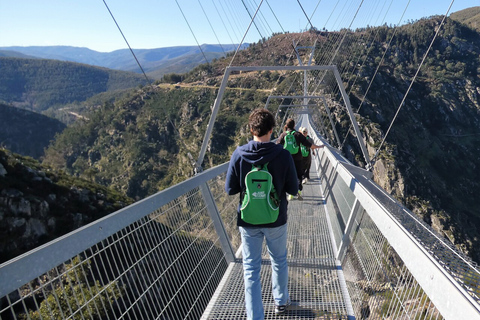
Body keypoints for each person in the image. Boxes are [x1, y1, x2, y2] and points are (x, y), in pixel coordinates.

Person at [225, 108, 298, 319]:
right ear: (273, 129)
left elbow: (230, 189)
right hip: (276, 218)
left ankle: (255, 317)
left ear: (251, 129)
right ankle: (281, 301)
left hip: (248, 220)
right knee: (279, 259)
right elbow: (293, 189)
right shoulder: (283, 155)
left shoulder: (239, 154)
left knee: (251, 269)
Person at [277, 119, 323, 200]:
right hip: (298, 159)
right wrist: (320, 147)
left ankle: (290, 193)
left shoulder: (283, 135)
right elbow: (309, 144)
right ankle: (298, 190)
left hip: (287, 159)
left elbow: (277, 145)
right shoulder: (298, 134)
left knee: (289, 175)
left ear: (286, 126)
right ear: (294, 125)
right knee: (298, 175)